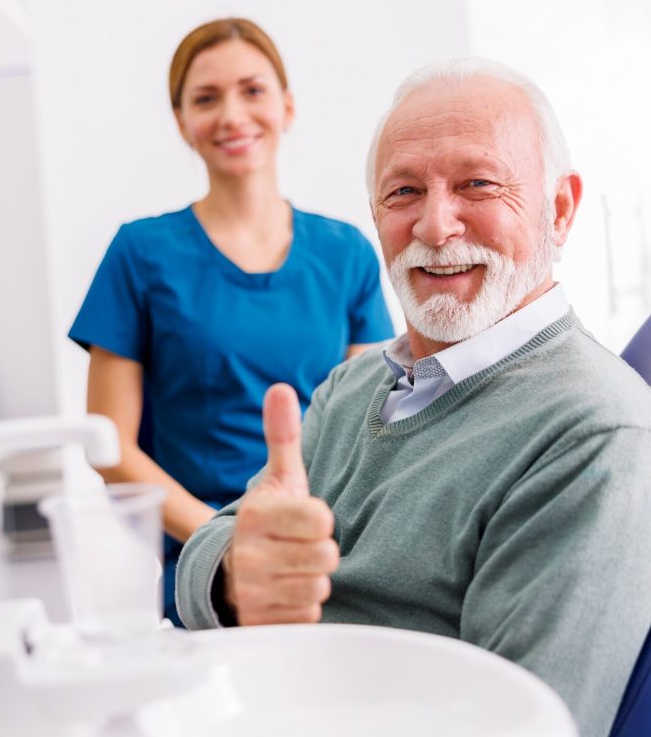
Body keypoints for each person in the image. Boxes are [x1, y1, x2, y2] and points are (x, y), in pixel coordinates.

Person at [176, 58, 651, 737]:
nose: (435, 226)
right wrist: (235, 576)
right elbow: (215, 548)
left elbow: (533, 722)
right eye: (402, 193)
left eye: (477, 184)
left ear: (561, 208)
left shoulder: (594, 435)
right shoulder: (354, 386)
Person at [68, 18, 394, 626]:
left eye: (252, 90)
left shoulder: (347, 252)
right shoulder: (140, 254)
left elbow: (370, 431)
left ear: (287, 105)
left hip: (326, 565)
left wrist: (302, 547)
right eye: (206, 98)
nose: (232, 115)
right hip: (205, 579)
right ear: (181, 122)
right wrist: (229, 547)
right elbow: (110, 449)